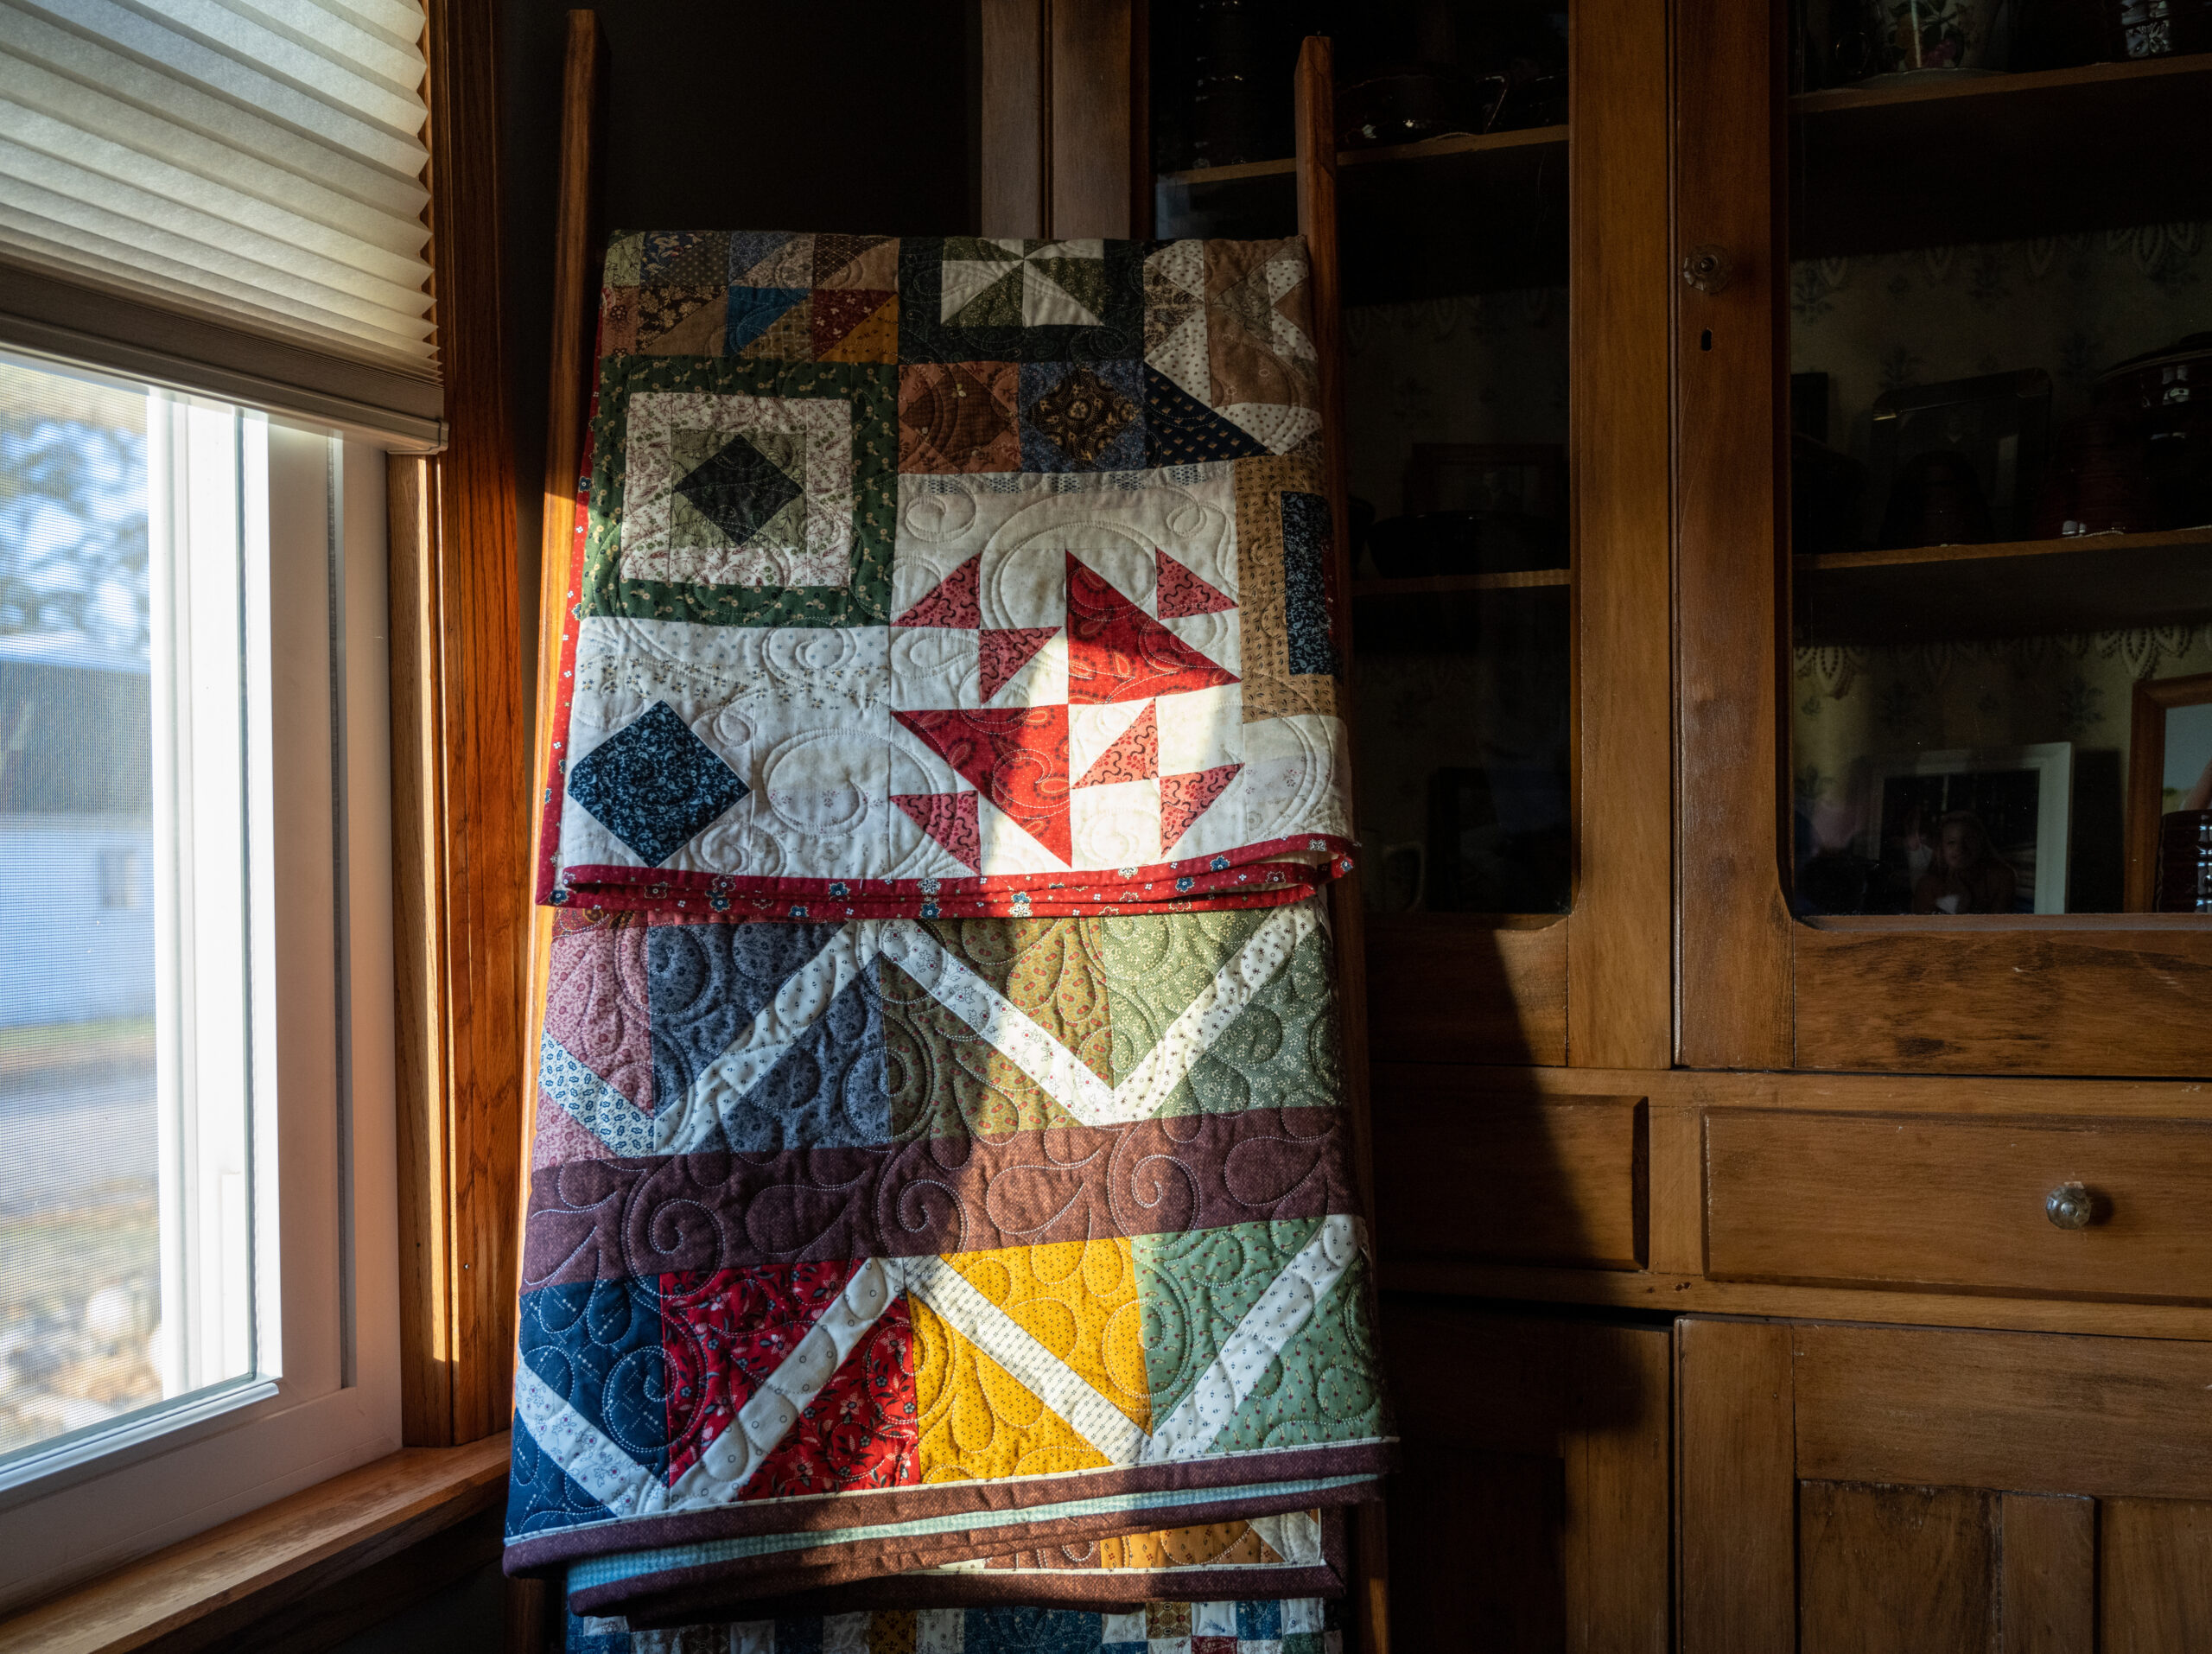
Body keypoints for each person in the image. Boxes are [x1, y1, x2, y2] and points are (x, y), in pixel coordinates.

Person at [1911, 810, 2018, 914]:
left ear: (1981, 843)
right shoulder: (1927, 885)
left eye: (1968, 840)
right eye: (1951, 842)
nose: (1960, 849)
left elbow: (1999, 928)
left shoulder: (2002, 877)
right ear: (1941, 847)